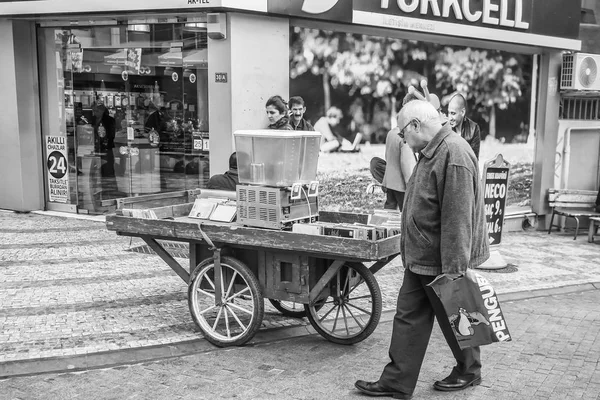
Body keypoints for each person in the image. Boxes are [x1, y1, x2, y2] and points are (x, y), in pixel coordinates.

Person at [355, 100, 490, 399]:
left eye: (403, 133)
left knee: (455, 314)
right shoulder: (435, 149)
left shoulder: (453, 153)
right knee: (410, 315)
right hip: (424, 257)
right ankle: (397, 382)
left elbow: (458, 218)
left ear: (416, 125)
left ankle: (468, 371)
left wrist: (453, 272)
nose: (402, 139)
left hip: (441, 260)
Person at [448, 93, 481, 159]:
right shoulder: (445, 128)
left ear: (462, 112)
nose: (449, 118)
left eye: (453, 113)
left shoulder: (474, 129)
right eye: (448, 113)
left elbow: (473, 159)